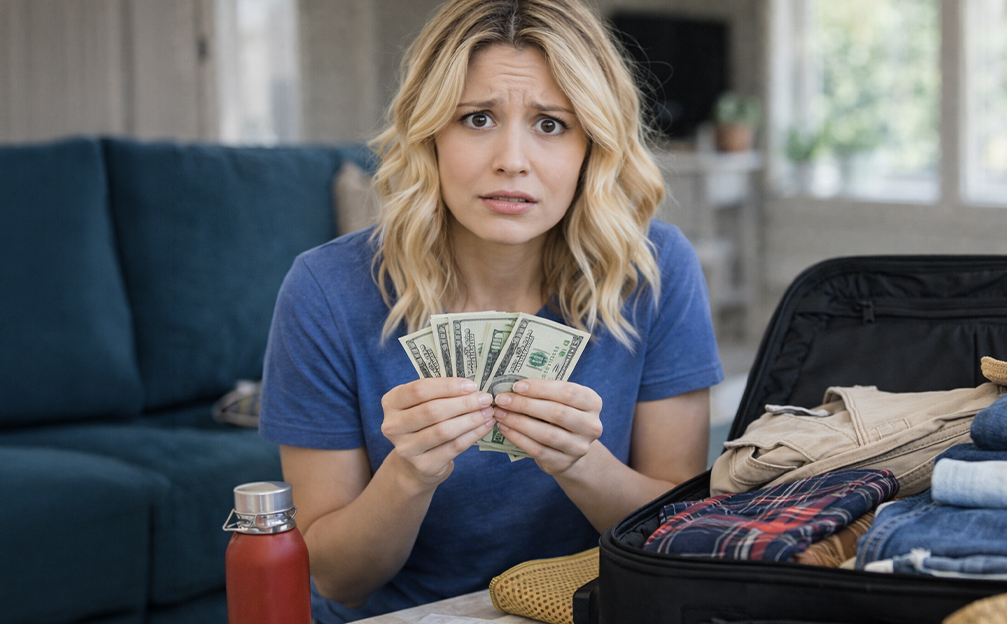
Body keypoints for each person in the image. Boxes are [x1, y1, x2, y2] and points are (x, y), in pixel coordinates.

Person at [258, 0, 724, 621]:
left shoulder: (656, 268)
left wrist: (584, 463)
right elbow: (337, 579)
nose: (512, 158)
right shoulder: (325, 289)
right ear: (429, 134)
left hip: (588, 605)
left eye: (551, 124)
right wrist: (409, 476)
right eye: (477, 118)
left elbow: (678, 534)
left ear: (593, 144)